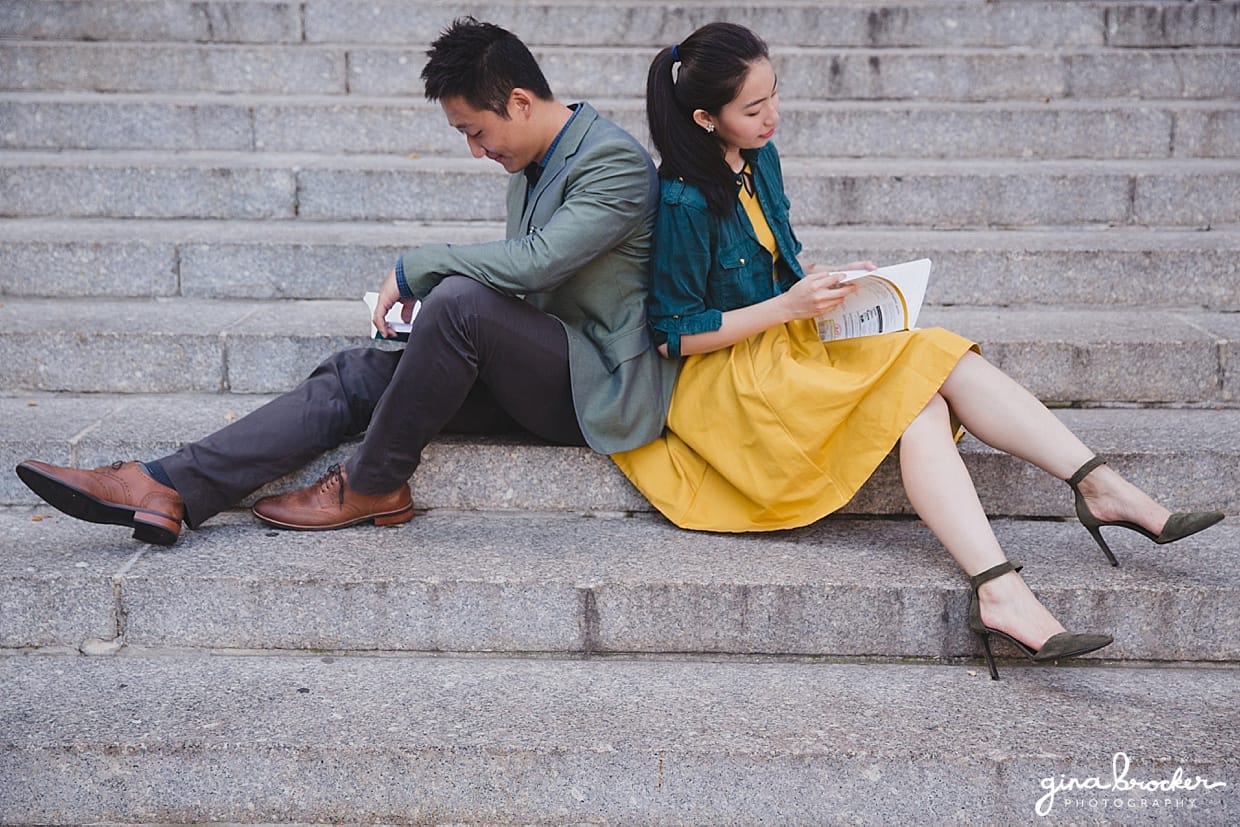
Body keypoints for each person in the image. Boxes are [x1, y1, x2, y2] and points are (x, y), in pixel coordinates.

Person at [611, 22, 1224, 679]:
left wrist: (837, 281)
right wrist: (788, 306)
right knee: (927, 365)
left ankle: (1017, 571)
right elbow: (675, 332)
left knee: (927, 386)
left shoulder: (761, 159)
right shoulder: (681, 197)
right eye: (753, 109)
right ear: (706, 118)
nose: (772, 117)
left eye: (775, 96)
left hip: (784, 344)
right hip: (729, 383)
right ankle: (1084, 508)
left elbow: (774, 265)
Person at [15, 18, 675, 546]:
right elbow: (525, 286)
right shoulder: (532, 164)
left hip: (594, 386)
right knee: (359, 371)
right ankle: (166, 484)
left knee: (460, 302)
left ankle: (374, 481)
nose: (476, 150)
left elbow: (536, 264)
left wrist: (418, 267)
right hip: (534, 363)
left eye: (476, 131)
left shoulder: (612, 160)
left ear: (521, 101)